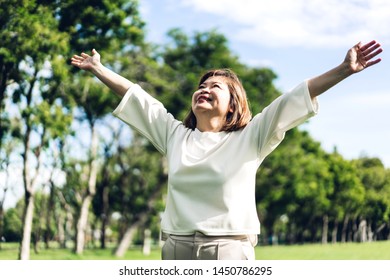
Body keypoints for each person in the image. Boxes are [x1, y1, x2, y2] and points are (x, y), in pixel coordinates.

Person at [71, 40, 382, 260]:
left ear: (233, 104)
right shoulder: (174, 135)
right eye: (202, 86)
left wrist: (344, 69)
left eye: (215, 87)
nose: (204, 89)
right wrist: (99, 69)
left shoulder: (251, 137)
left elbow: (294, 98)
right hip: (175, 248)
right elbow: (139, 98)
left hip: (228, 250)